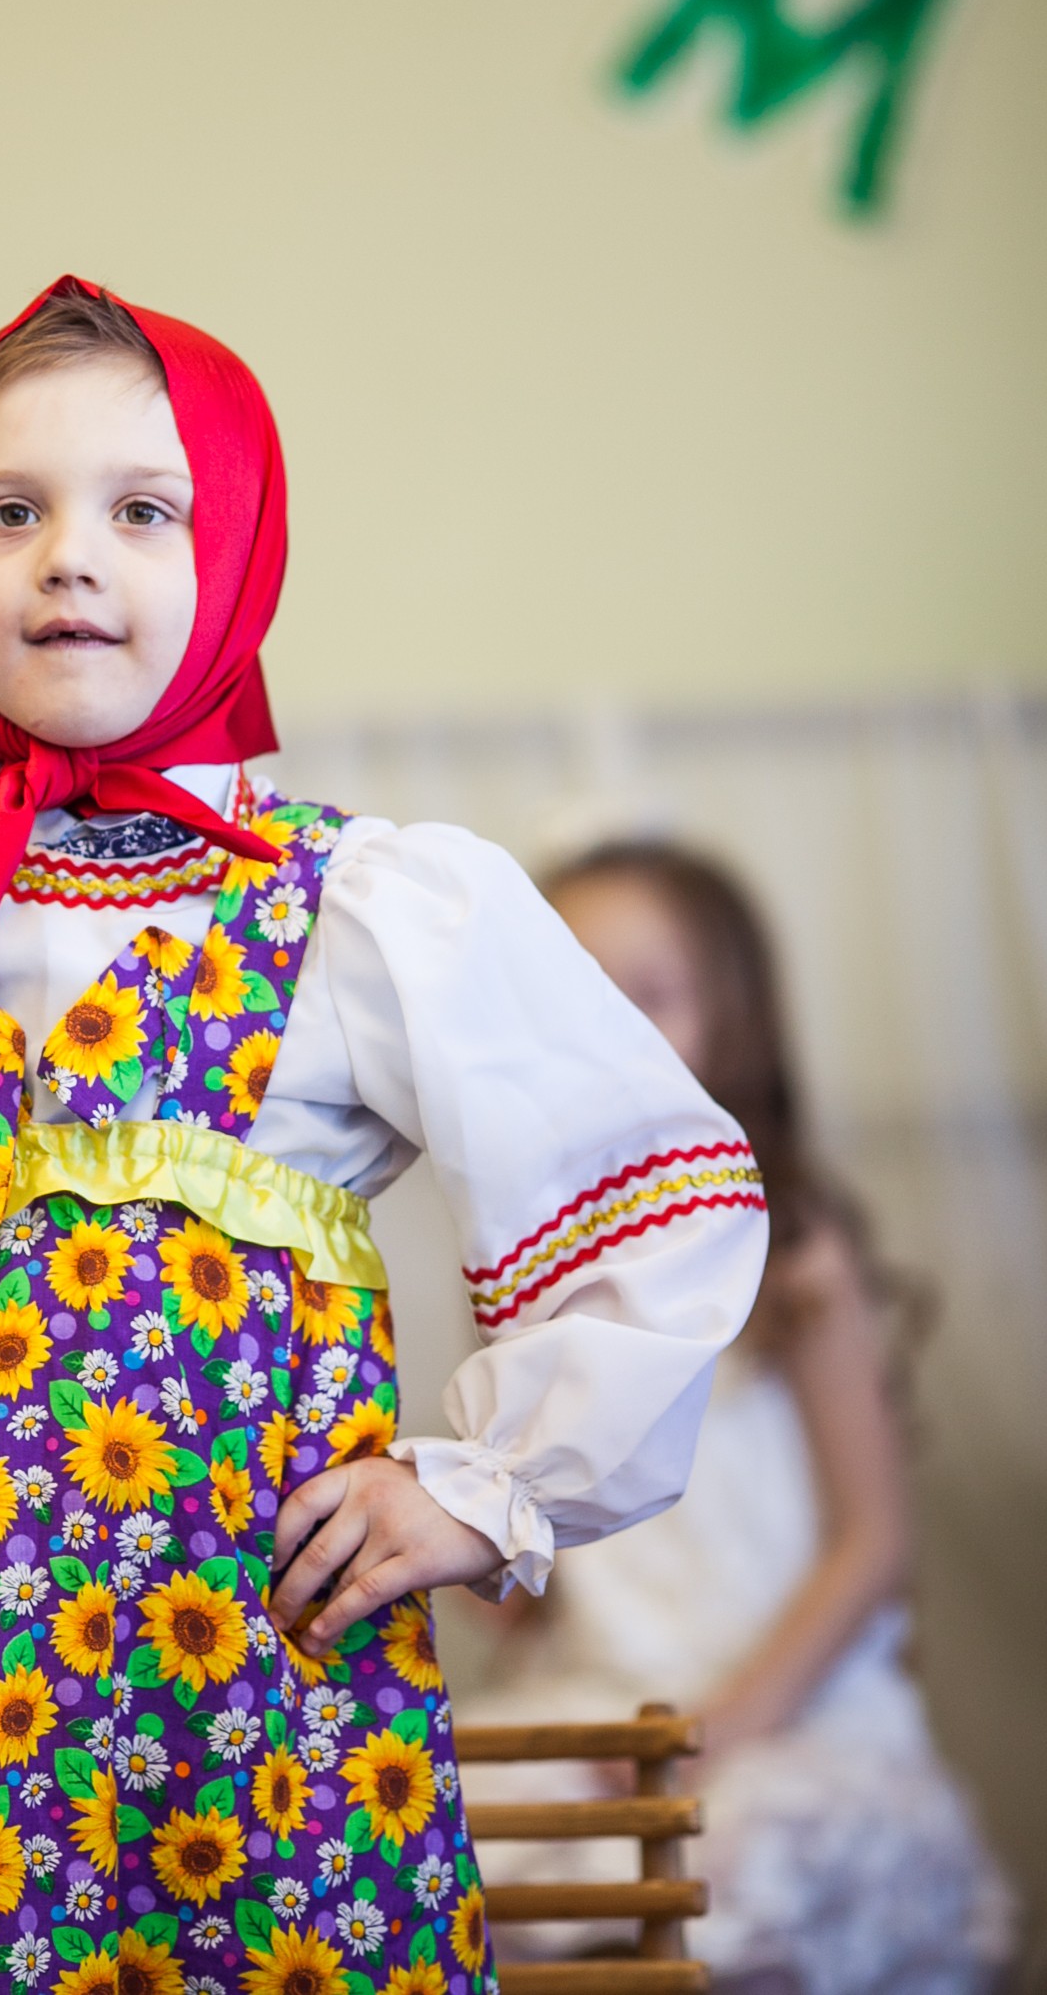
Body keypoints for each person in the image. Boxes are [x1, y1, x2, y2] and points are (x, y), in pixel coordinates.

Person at [0, 276, 769, 1995]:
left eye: (141, 510)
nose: (66, 558)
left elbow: (648, 1205)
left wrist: (482, 1493)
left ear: (236, 548)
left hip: (286, 1683)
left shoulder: (362, 906)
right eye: (6, 511)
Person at [461, 838, 1016, 1995]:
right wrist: (486, 1552)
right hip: (600, 1714)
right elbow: (539, 1565)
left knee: (731, 1874)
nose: (605, 1028)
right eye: (571, 992)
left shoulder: (794, 1258)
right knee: (421, 1831)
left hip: (792, 1715)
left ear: (730, 1020)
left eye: (648, 994)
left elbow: (872, 1543)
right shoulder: (533, 1277)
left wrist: (730, 1722)